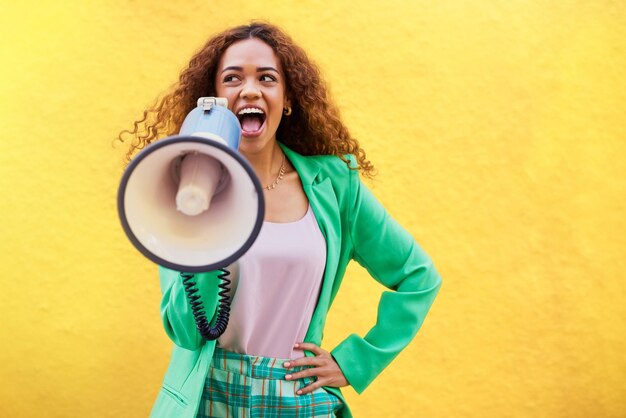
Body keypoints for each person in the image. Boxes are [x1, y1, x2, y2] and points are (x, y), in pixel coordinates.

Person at [119, 21, 442, 418]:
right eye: (232, 78)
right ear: (215, 98)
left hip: (296, 397)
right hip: (208, 396)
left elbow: (419, 276)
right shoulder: (183, 189)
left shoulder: (337, 186)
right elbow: (185, 330)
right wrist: (201, 216)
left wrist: (354, 361)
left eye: (267, 78)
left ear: (287, 98)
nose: (250, 89)